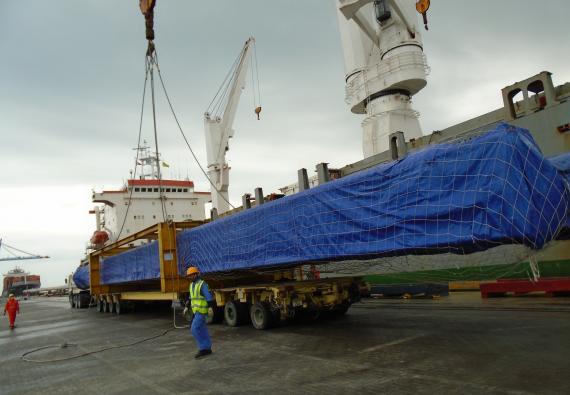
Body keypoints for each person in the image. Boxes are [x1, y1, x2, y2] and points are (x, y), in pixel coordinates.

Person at [184, 266, 214, 359]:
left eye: (192, 275)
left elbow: (208, 297)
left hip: (201, 310)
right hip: (196, 311)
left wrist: (210, 307)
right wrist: (186, 307)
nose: (190, 277)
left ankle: (203, 348)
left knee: (194, 329)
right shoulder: (192, 285)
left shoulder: (202, 284)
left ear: (197, 274)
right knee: (202, 329)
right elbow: (191, 298)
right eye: (189, 276)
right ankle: (207, 348)